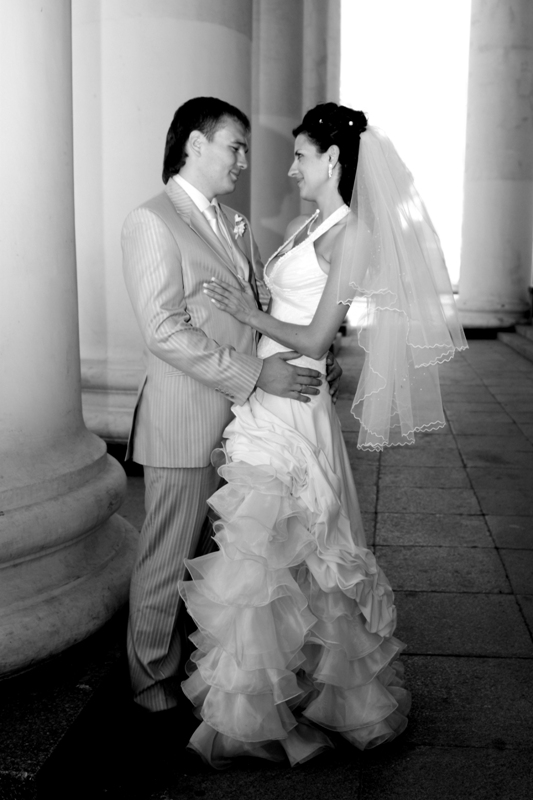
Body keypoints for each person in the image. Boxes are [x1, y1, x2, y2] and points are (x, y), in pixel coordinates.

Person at [179, 102, 467, 767]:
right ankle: (259, 708)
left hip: (296, 404)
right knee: (261, 554)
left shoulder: (352, 235)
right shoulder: (308, 225)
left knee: (284, 551)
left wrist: (251, 314)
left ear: (332, 159)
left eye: (301, 155)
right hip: (269, 395)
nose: (291, 168)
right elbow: (300, 315)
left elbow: (314, 336)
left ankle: (287, 709)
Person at [121, 97, 341, 720]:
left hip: (248, 424)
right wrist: (256, 374)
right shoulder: (151, 221)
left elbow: (261, 309)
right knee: (167, 560)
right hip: (186, 420)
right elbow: (163, 330)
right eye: (235, 146)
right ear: (195, 144)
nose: (244, 160)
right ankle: (150, 689)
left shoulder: (235, 223)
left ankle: (204, 680)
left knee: (219, 563)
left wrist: (310, 355)